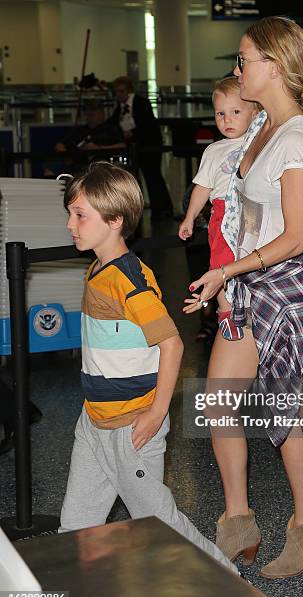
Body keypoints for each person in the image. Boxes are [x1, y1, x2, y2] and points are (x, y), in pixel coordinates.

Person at [184, 17, 303, 578]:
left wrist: (227, 273)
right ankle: (238, 522)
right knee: (219, 404)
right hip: (245, 289)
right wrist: (223, 274)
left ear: (275, 65)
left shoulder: (295, 138)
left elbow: (295, 237)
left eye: (244, 59)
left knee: (283, 418)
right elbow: (237, 209)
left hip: (284, 294)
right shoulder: (261, 125)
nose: (237, 68)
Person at [59, 162, 237, 574]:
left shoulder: (129, 281)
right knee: (77, 525)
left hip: (132, 427)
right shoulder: (98, 269)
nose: (71, 224)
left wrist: (156, 414)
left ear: (115, 220)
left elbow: (172, 345)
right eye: (71, 213)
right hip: (96, 421)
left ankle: (228, 581)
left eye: (80, 215)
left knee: (158, 524)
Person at [179, 77, 257, 341]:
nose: (227, 120)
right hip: (222, 214)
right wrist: (189, 217)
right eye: (220, 114)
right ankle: (225, 312)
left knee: (253, 262)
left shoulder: (260, 143)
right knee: (220, 264)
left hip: (253, 211)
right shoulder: (214, 150)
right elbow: (202, 187)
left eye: (236, 112)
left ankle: (252, 308)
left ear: (254, 112)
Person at [109, 76, 173, 221]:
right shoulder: (120, 107)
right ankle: (154, 208)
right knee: (146, 177)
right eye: (117, 92)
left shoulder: (141, 103)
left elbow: (147, 125)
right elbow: (113, 122)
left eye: (121, 91)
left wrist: (131, 133)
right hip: (135, 147)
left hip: (149, 145)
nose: (119, 95)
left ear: (129, 90)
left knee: (153, 176)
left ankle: (162, 209)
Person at [55, 100, 125, 153]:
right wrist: (67, 155)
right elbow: (60, 145)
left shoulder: (111, 129)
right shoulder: (80, 130)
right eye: (88, 113)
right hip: (80, 163)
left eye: (93, 112)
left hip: (103, 162)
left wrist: (99, 148)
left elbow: (122, 146)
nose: (90, 116)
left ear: (102, 113)